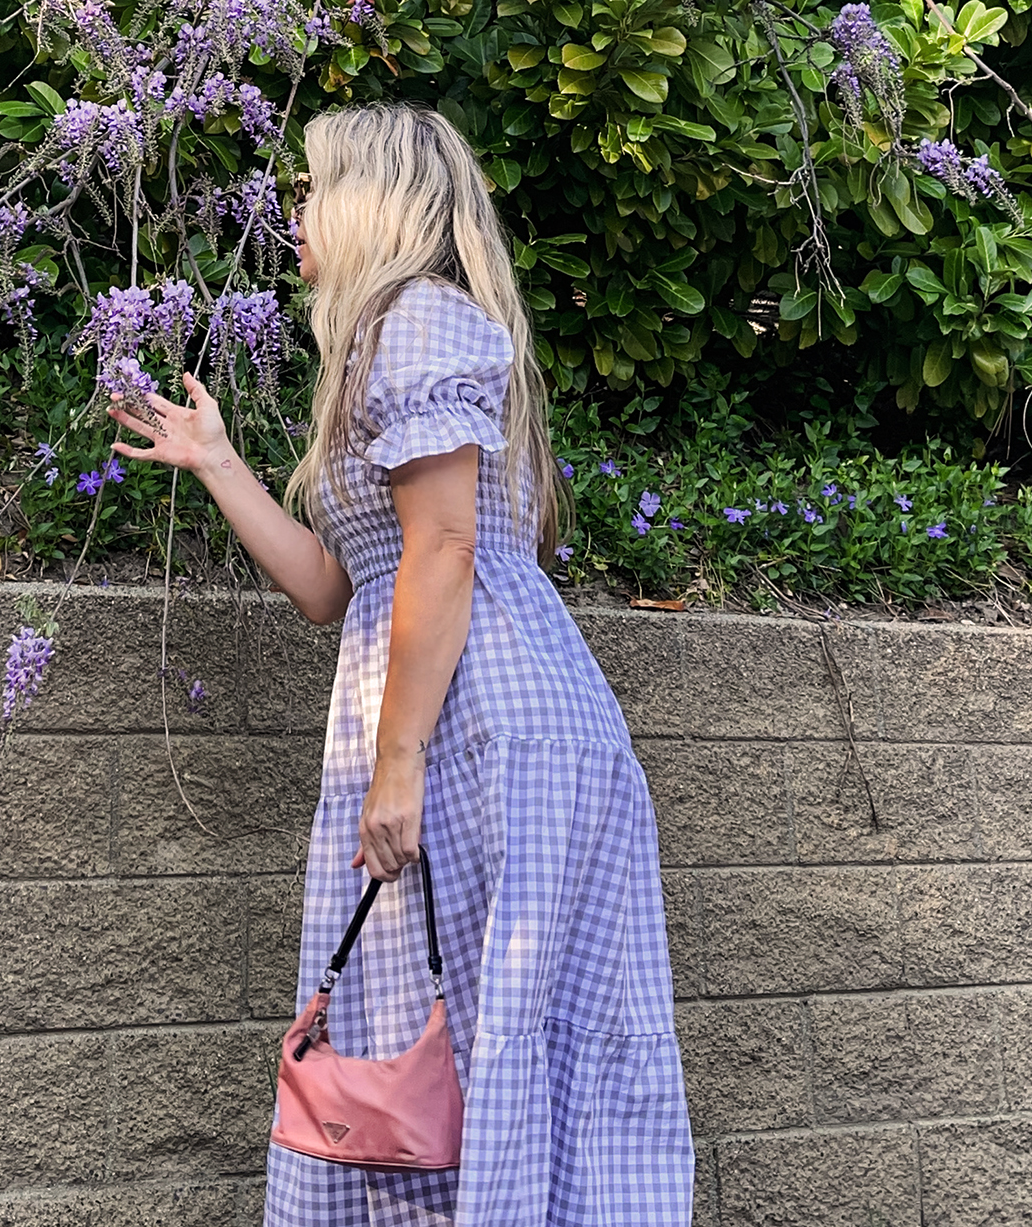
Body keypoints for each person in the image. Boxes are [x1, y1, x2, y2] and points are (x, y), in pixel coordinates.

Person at [108, 102, 693, 1227]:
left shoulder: (415, 322)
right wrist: (221, 462)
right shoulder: (379, 344)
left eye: (312, 188)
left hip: (479, 715)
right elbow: (340, 584)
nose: (293, 215)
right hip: (436, 703)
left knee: (486, 1022)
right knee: (442, 1026)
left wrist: (401, 756)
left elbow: (444, 545)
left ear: (374, 202)